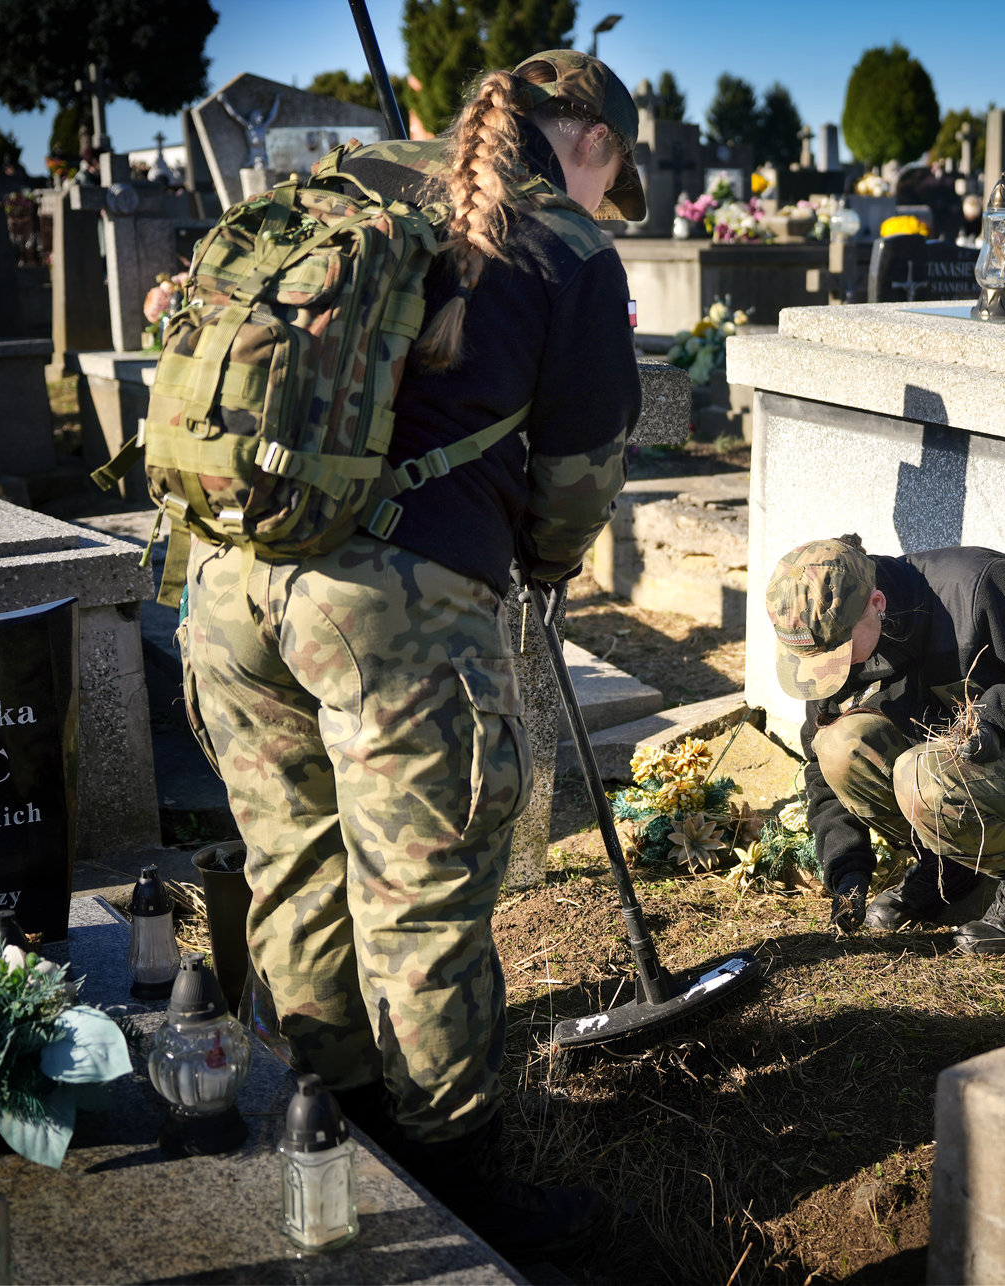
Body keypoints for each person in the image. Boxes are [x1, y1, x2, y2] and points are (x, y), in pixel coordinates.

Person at [179, 51, 646, 1261]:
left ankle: (329, 1127)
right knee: (422, 904)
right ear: (593, 142)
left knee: (296, 867)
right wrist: (543, 563)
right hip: (389, 604)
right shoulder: (568, 248)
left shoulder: (356, 178)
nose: (609, 200)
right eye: (616, 178)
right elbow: (580, 472)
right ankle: (456, 1184)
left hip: (225, 575)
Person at [766, 536, 1005, 953]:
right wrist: (847, 870)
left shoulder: (978, 588)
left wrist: (997, 719)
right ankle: (948, 868)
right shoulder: (835, 635)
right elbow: (821, 769)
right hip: (952, 777)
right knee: (839, 746)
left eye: (837, 653)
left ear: (877, 603)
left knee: (921, 773)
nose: (829, 669)